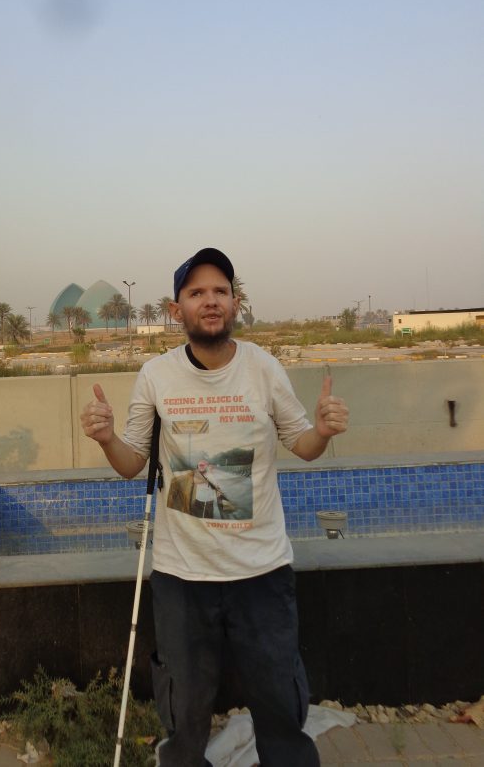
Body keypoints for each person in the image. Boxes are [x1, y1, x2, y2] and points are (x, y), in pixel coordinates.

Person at [80, 248, 349, 767]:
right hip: (182, 577)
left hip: (262, 573)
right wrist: (107, 437)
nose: (210, 301)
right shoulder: (156, 376)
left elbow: (303, 445)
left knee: (280, 706)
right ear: (175, 309)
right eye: (197, 292)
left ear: (235, 302)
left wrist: (321, 430)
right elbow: (132, 463)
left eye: (220, 291)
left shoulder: (264, 368)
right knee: (184, 714)